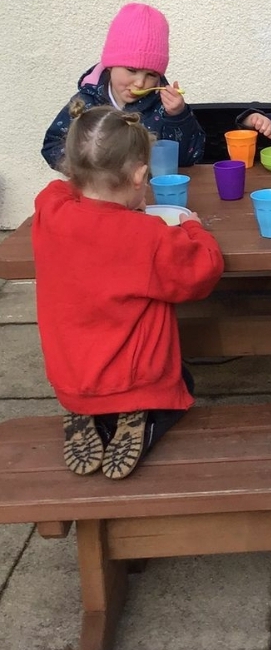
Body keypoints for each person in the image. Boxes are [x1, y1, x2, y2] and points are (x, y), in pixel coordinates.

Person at [33, 99, 224, 480]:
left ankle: (89, 413)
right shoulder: (147, 235)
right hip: (136, 379)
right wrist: (193, 227)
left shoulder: (50, 211)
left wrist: (99, 187)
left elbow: (59, 190)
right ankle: (144, 418)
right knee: (183, 381)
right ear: (139, 175)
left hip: (71, 375)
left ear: (75, 168)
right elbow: (203, 271)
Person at [41, 2, 205, 170]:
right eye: (131, 70)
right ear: (110, 65)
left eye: (151, 75)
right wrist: (88, 170)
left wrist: (178, 117)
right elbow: (52, 146)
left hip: (148, 186)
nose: (140, 83)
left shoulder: (163, 107)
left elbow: (188, 158)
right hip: (95, 186)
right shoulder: (86, 102)